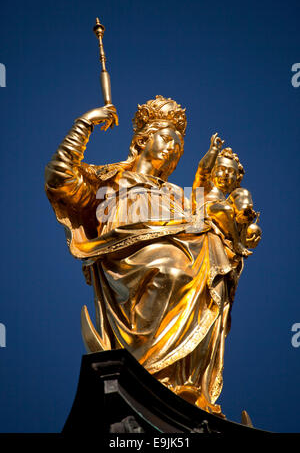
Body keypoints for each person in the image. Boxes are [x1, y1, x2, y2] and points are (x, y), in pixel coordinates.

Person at [45, 95, 259, 416]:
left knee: (205, 269)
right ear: (142, 141)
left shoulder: (177, 196)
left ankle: (178, 380)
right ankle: (142, 362)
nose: (174, 148)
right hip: (133, 261)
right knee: (170, 269)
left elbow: (211, 215)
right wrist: (84, 124)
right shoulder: (111, 181)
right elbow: (60, 178)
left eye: (179, 145)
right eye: (167, 138)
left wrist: (237, 223)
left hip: (187, 266)